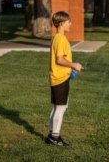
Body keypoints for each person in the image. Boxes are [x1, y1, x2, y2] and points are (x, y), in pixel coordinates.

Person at [45, 11, 82, 146]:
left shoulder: (56, 38)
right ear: (61, 23)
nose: (70, 24)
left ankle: (51, 135)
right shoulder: (61, 39)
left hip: (59, 76)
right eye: (68, 22)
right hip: (59, 78)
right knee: (61, 107)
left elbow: (60, 59)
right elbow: (60, 59)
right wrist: (74, 65)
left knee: (59, 107)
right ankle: (54, 137)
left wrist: (70, 69)